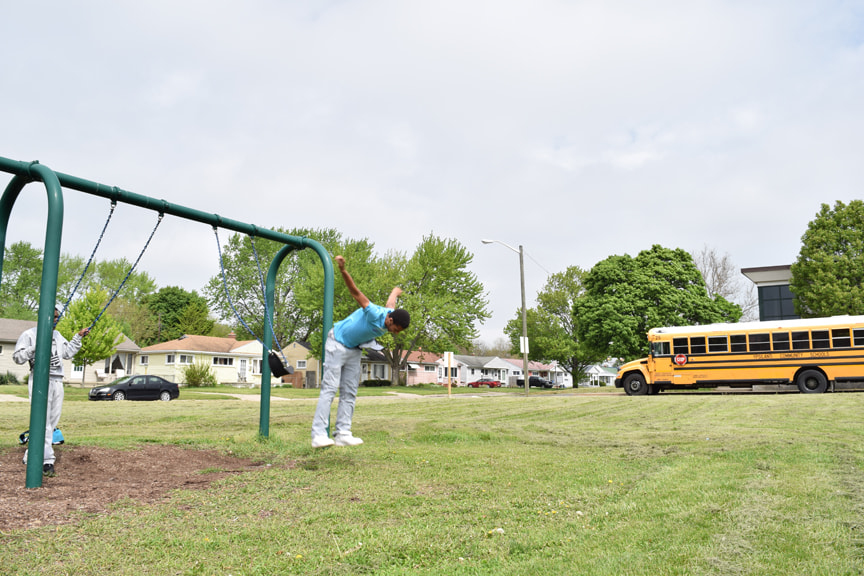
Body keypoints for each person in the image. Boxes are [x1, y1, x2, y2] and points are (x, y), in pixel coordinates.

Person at [311, 255, 410, 448]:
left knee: (349, 392)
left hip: (354, 350)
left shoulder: (390, 313)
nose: (395, 333)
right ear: (390, 321)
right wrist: (342, 270)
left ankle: (343, 433)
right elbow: (356, 292)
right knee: (330, 389)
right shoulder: (373, 311)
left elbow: (391, 303)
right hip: (337, 343)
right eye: (396, 329)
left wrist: (395, 291)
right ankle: (318, 435)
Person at [14, 302, 90, 476]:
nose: (55, 320)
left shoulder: (57, 335)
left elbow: (67, 353)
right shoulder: (30, 335)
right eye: (53, 316)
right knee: (43, 421)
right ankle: (47, 460)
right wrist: (36, 349)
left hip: (57, 380)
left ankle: (31, 454)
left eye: (57, 317)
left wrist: (78, 337)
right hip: (40, 378)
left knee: (52, 422)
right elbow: (17, 357)